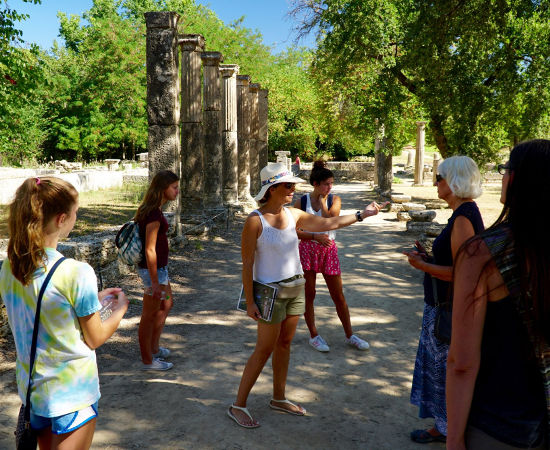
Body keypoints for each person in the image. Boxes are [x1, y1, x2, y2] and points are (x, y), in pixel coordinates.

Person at [227, 162, 387, 428]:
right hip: (270, 292)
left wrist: (363, 215)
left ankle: (278, 398)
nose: (293, 189)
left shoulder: (293, 215)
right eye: (288, 185)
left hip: (294, 288)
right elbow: (247, 264)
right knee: (264, 348)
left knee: (285, 344)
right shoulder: (254, 221)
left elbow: (329, 222)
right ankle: (238, 405)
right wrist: (251, 302)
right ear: (272, 188)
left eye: (293, 185)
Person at [0, 176, 128, 449]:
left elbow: (41, 307)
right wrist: (120, 309)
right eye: (75, 213)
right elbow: (94, 337)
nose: (76, 217)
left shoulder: (9, 268)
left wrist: (92, 300)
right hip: (72, 395)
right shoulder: (76, 272)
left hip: (34, 393)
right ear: (61, 219)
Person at [447, 140, 550, 450]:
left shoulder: (483, 254)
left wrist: (453, 440)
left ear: (514, 179)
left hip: (499, 426)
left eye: (505, 170)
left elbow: (462, 362)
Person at [403, 156, 484, 444]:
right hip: (442, 306)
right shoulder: (462, 214)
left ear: (453, 181)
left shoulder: (463, 218)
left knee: (444, 372)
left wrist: (422, 266)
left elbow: (463, 274)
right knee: (439, 369)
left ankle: (449, 431)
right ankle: (442, 425)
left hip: (447, 310)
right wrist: (429, 258)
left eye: (439, 177)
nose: (436, 182)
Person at [293, 160, 369, 352]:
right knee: (309, 295)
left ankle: (350, 335)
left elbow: (330, 222)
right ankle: (313, 335)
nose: (330, 187)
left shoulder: (334, 199)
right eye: (326, 184)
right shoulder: (301, 202)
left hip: (328, 249)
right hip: (307, 250)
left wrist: (323, 202)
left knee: (338, 295)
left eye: (331, 183)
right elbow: (293, 231)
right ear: (315, 184)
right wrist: (313, 236)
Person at [135, 169, 180, 371]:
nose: (177, 191)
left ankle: (154, 348)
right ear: (163, 189)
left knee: (166, 304)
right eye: (174, 187)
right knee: (149, 313)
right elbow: (149, 249)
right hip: (153, 272)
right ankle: (147, 360)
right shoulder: (153, 213)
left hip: (161, 270)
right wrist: (154, 282)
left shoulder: (157, 209)